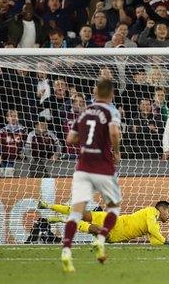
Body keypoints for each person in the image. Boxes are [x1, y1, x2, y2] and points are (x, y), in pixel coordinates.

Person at [61, 79, 122, 272]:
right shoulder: (111, 111)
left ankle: (66, 251)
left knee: (76, 212)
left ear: (95, 93)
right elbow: (113, 133)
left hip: (83, 167)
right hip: (103, 167)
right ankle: (101, 239)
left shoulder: (84, 111)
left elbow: (69, 139)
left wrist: (86, 141)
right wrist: (117, 151)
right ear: (111, 94)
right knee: (114, 207)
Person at [38, 200, 169, 245]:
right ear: (162, 209)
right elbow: (152, 230)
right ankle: (48, 206)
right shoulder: (152, 211)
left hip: (115, 236)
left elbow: (155, 241)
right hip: (115, 221)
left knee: (98, 231)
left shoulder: (156, 225)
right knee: (82, 213)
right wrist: (168, 241)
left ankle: (63, 219)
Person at [0, 109, 27, 177]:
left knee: (10, 178)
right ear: (7, 118)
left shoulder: (23, 130)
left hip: (16, 160)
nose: (13, 118)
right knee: (3, 178)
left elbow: (26, 144)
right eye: (11, 116)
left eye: (15, 116)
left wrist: (23, 152)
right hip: (4, 159)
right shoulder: (2, 131)